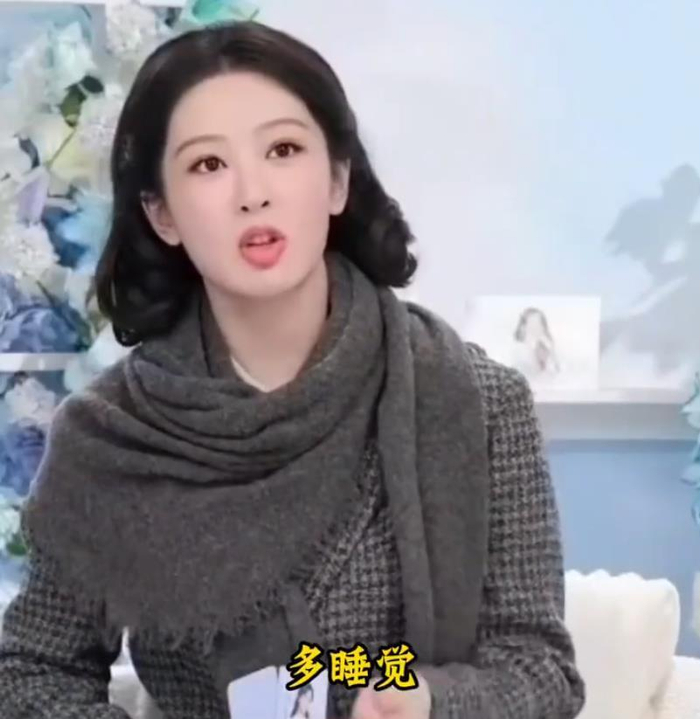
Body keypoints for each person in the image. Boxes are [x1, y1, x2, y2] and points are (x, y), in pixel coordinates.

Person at [0, 20, 585, 719]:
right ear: (162, 215)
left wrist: (430, 700)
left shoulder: (479, 403)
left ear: (336, 179)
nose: (253, 192)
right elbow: (32, 671)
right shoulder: (110, 439)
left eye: (283, 150)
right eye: (207, 165)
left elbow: (541, 670)